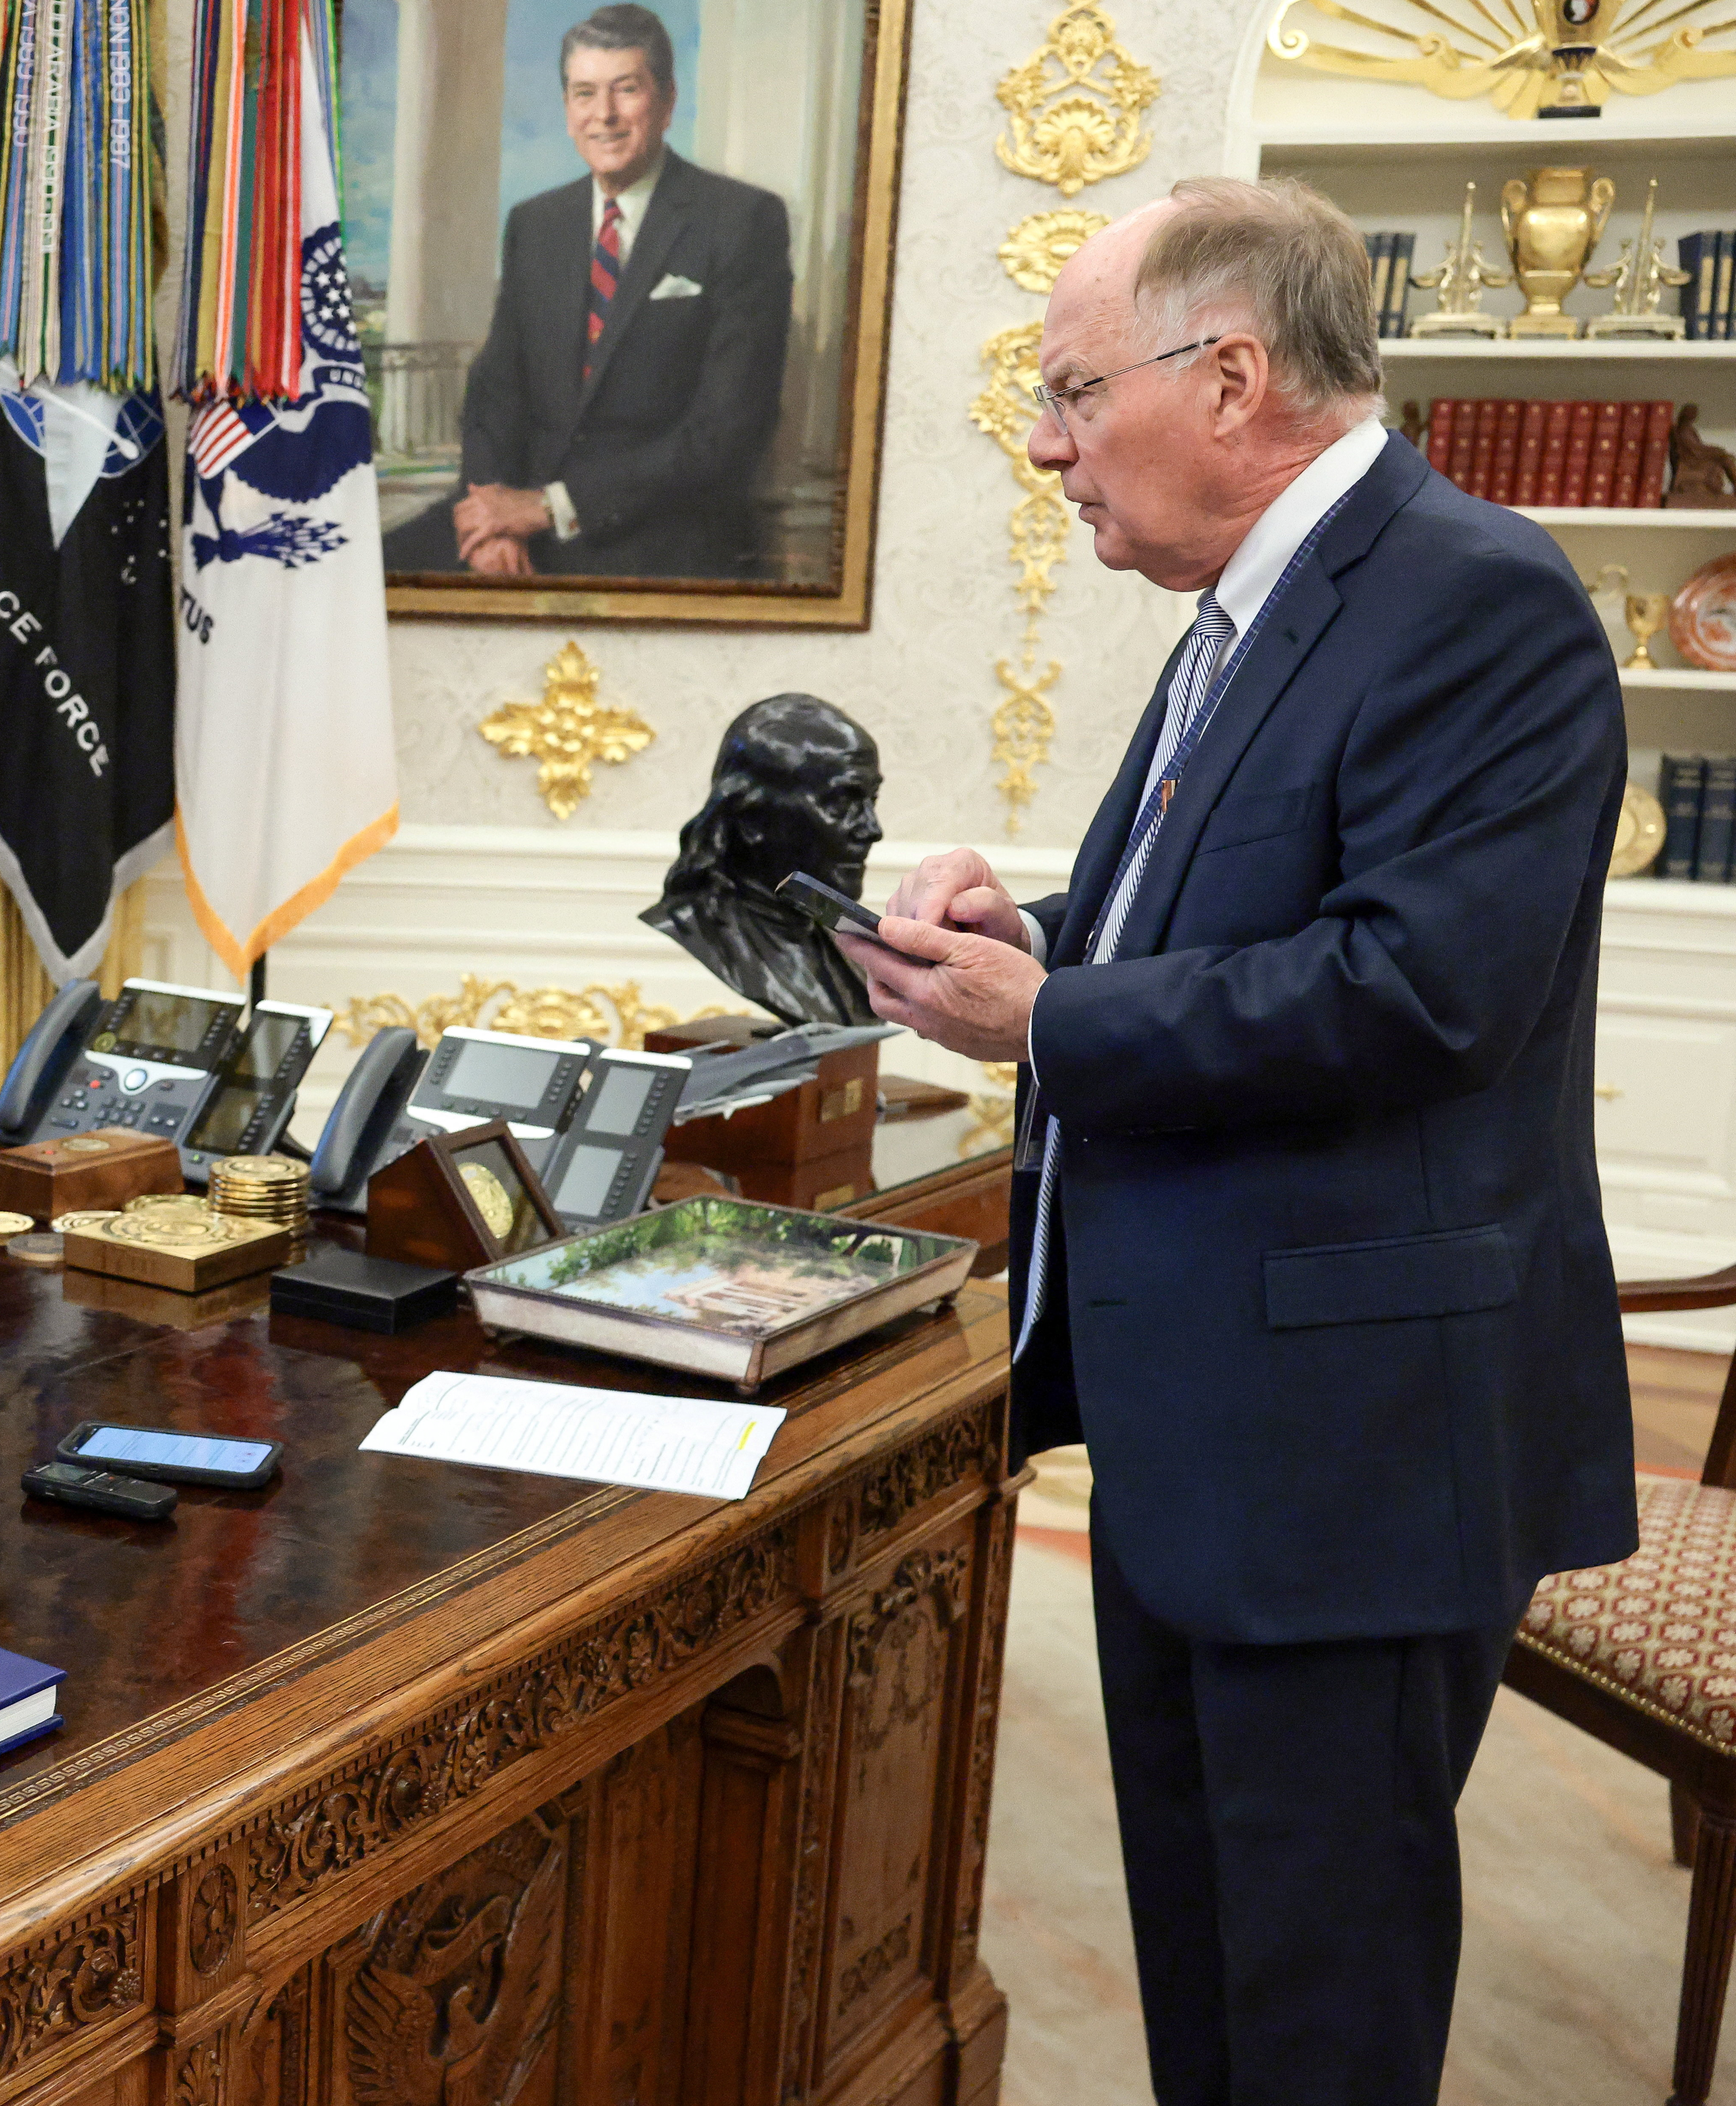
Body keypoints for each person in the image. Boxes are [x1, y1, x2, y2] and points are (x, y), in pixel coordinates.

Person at [837, 177, 1633, 2104]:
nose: (1043, 447)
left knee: (1312, 2011)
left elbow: (1418, 990)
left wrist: (1052, 1022)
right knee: (1210, 1972)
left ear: (1227, 377)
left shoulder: (1475, 598)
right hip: (1206, 1429)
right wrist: (1035, 939)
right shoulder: (1247, 609)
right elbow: (1233, 928)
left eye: (1066, 392)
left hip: (1351, 1458)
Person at [381, 4, 790, 581]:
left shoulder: (741, 221)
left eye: (627, 89)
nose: (605, 115)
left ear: (667, 101)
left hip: (657, 530)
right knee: (361, 578)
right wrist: (490, 518)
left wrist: (549, 508)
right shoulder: (536, 224)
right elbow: (495, 395)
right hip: (520, 519)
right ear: (568, 110)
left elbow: (726, 432)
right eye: (584, 94)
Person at [638, 693, 882, 1025]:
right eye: (841, 802)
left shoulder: (846, 953)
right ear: (752, 818)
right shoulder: (693, 930)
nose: (872, 829)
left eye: (872, 800)